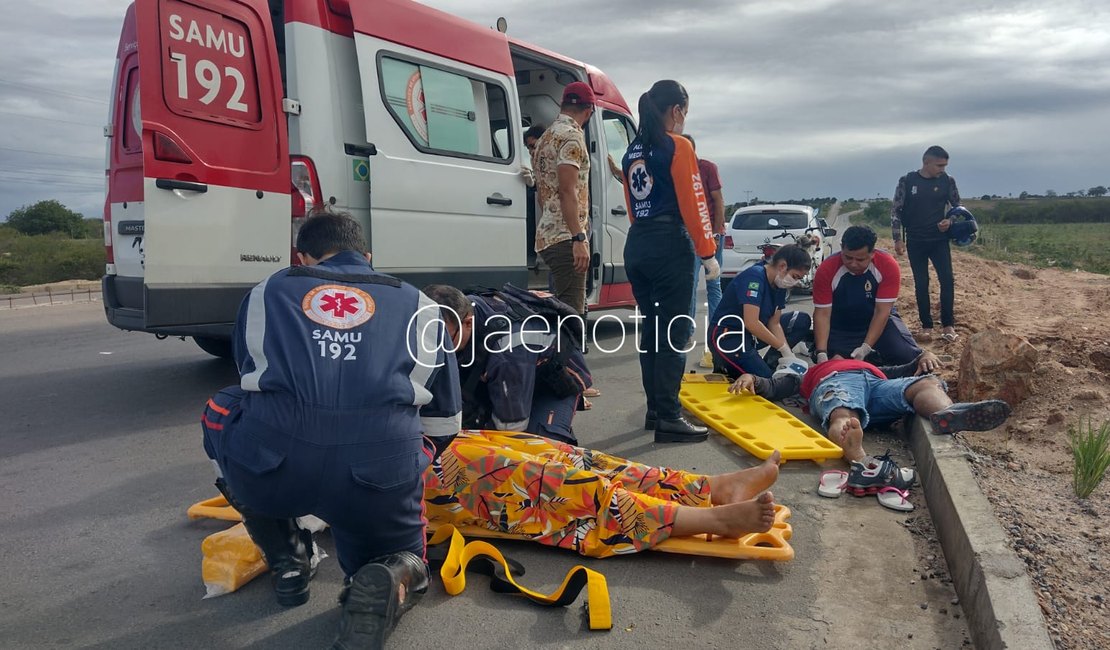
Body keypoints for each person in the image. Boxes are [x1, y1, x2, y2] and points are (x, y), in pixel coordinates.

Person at [200, 212, 462, 649]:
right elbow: (446, 423)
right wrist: (406, 467)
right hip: (378, 477)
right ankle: (387, 575)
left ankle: (288, 561)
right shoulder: (423, 306)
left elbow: (253, 382)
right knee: (404, 557)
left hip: (275, 469)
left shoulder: (269, 291)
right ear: (369, 257)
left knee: (222, 407)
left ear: (302, 257)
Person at [425, 430, 780, 557]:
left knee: (568, 457)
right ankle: (710, 518)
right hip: (408, 471)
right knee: (556, 484)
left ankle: (710, 488)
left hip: (425, 440)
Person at [621, 79, 719, 443]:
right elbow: (694, 202)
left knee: (652, 330)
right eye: (685, 113)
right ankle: (670, 417)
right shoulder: (677, 146)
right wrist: (707, 252)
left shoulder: (633, 151)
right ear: (676, 111)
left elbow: (632, 207)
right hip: (668, 243)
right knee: (675, 332)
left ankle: (655, 409)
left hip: (639, 242)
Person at [729, 353, 1011, 473]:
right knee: (842, 408)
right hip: (835, 383)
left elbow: (906, 369)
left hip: (877, 385)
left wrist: (923, 355)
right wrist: (753, 378)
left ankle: (947, 413)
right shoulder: (807, 372)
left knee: (922, 383)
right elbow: (778, 385)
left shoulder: (866, 363)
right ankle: (855, 450)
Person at [422, 284, 591, 444]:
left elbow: (511, 429)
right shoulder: (454, 313)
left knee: (534, 447)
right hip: (509, 373)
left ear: (468, 323)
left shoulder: (508, 350)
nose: (436, 348)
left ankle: (557, 429)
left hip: (552, 382)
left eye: (444, 341)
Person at [812, 225, 922, 365]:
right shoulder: (827, 269)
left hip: (877, 319)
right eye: (848, 257)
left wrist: (866, 347)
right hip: (841, 324)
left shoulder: (887, 265)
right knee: (838, 363)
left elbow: (882, 311)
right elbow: (822, 314)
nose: (853, 264)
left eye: (860, 260)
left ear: (872, 253)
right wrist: (821, 352)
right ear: (841, 248)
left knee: (905, 356)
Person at [532, 82, 594, 320]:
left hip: (549, 236)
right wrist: (578, 237)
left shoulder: (545, 138)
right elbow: (568, 191)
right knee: (572, 319)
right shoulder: (572, 137)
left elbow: (542, 193)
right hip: (566, 238)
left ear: (562, 104)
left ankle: (559, 355)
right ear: (588, 111)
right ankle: (569, 358)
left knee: (560, 315)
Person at [709, 245, 813, 378]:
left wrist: (788, 354)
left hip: (750, 336)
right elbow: (751, 323)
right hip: (729, 337)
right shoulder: (754, 277)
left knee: (800, 320)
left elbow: (774, 323)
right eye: (795, 276)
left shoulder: (779, 283)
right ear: (782, 266)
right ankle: (729, 366)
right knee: (765, 383)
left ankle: (770, 365)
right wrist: (782, 348)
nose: (795, 282)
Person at [891, 145, 962, 341]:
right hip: (915, 240)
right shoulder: (907, 181)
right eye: (939, 165)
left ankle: (948, 325)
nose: (943, 169)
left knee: (947, 281)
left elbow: (958, 207)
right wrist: (898, 239)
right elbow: (896, 210)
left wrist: (950, 221)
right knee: (922, 284)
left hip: (939, 240)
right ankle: (926, 325)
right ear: (926, 162)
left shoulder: (948, 181)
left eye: (945, 165)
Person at [681, 134, 726, 369]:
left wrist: (716, 232)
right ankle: (687, 332)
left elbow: (718, 200)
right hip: (688, 235)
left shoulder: (707, 168)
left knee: (713, 285)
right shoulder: (675, 169)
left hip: (710, 234)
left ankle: (716, 332)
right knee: (688, 284)